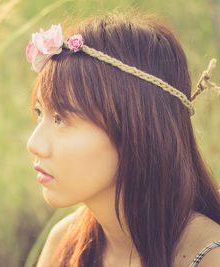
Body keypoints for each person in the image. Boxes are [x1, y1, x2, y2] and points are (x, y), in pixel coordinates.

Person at [25, 11, 220, 267]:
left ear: (136, 129)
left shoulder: (207, 257)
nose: (34, 144)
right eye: (40, 113)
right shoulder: (64, 242)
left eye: (61, 118)